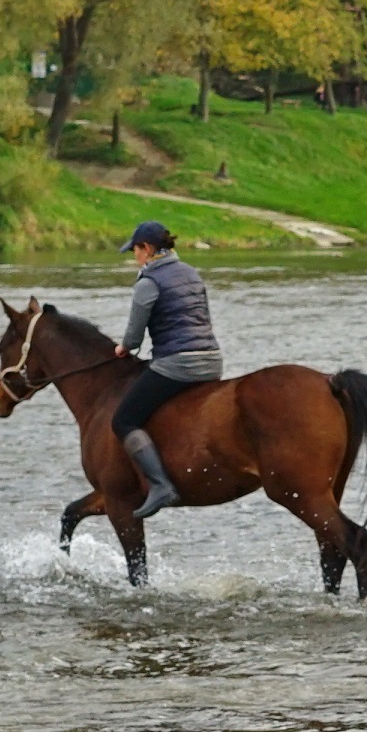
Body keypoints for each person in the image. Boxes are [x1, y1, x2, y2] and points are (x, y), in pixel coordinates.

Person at [110, 221, 221, 516]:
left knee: (123, 419)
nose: (135, 256)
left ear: (146, 249)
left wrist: (123, 348)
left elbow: (134, 339)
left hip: (178, 363)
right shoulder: (191, 272)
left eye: (135, 250)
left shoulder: (149, 281)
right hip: (211, 360)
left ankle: (160, 485)